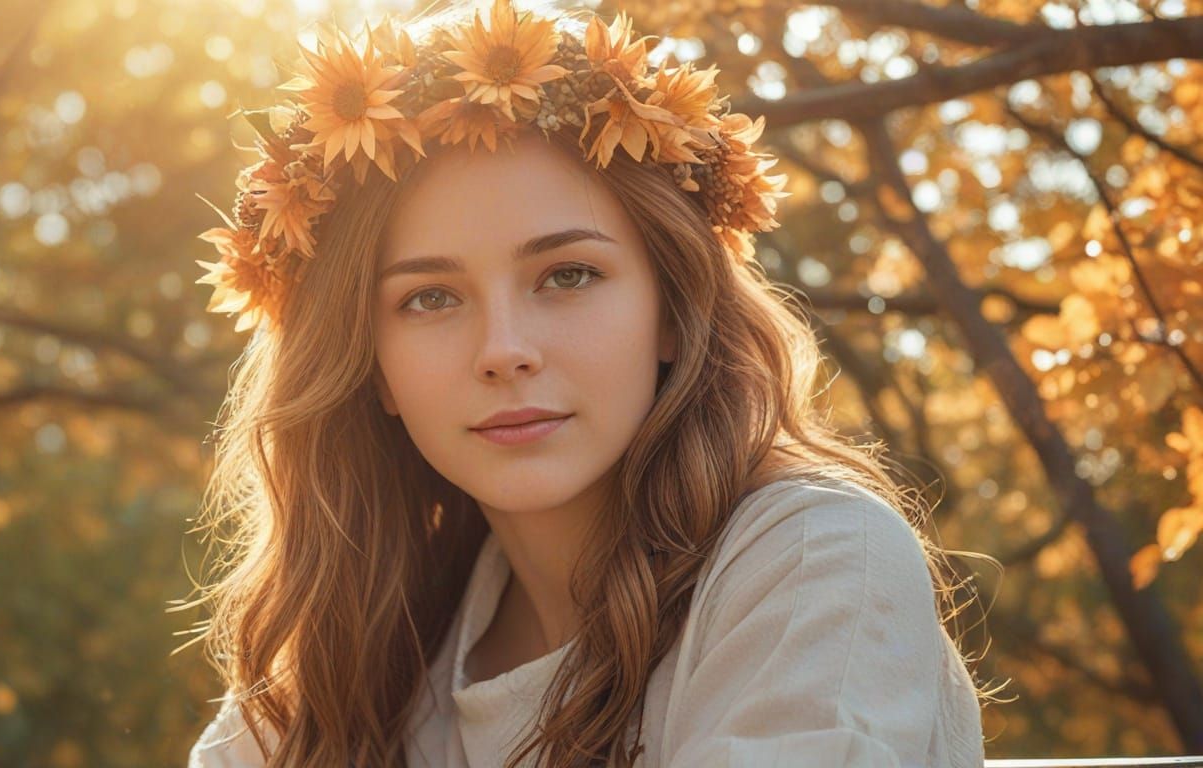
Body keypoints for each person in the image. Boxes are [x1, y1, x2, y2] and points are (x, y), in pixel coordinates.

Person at [181, 1, 994, 765]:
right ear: (372, 364)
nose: (503, 351)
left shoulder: (812, 560)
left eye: (567, 275)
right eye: (430, 298)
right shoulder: (366, 640)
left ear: (673, 309)